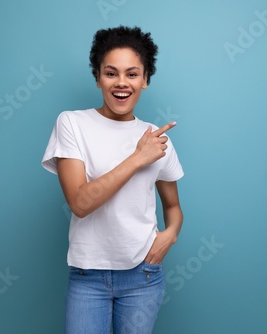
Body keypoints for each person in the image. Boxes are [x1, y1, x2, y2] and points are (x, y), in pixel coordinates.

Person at [41, 25, 184, 334]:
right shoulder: (72, 124)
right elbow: (80, 203)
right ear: (97, 78)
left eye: (132, 74)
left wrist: (169, 235)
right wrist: (137, 158)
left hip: (143, 278)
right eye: (111, 73)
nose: (122, 83)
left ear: (145, 80)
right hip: (87, 276)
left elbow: (173, 206)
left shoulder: (157, 140)